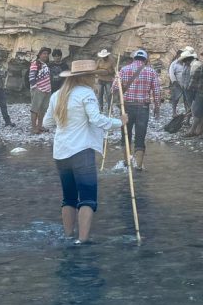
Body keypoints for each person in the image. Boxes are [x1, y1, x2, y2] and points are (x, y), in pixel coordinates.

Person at [43, 59, 126, 245]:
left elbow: (46, 123)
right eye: (94, 76)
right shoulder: (86, 93)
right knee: (87, 198)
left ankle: (68, 236)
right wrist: (120, 122)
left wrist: (67, 122)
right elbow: (96, 120)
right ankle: (83, 241)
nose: (95, 79)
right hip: (81, 152)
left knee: (69, 198)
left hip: (61, 153)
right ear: (87, 77)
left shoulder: (57, 95)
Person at [115, 49, 161, 171]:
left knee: (126, 135)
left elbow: (114, 88)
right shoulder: (151, 71)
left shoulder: (124, 70)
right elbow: (156, 92)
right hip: (143, 108)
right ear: (145, 60)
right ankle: (139, 167)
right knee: (140, 138)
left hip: (126, 107)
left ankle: (126, 163)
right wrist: (157, 107)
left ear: (133, 58)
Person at [29, 47, 53, 134]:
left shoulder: (45, 65)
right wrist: (35, 88)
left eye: (47, 54)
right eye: (44, 53)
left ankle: (39, 126)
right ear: (40, 54)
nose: (46, 55)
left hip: (47, 90)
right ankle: (34, 128)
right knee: (35, 109)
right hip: (38, 90)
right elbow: (31, 77)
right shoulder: (35, 63)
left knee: (43, 109)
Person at [168, 49, 190, 116]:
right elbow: (171, 73)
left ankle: (187, 112)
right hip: (177, 84)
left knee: (186, 99)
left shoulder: (185, 63)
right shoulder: (174, 64)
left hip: (186, 84)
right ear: (177, 55)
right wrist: (174, 81)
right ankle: (174, 112)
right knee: (175, 98)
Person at [176, 47, 198, 113]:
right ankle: (188, 116)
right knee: (188, 103)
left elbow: (192, 77)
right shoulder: (185, 66)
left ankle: (192, 115)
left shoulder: (193, 65)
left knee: (192, 103)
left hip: (190, 87)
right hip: (185, 87)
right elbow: (184, 76)